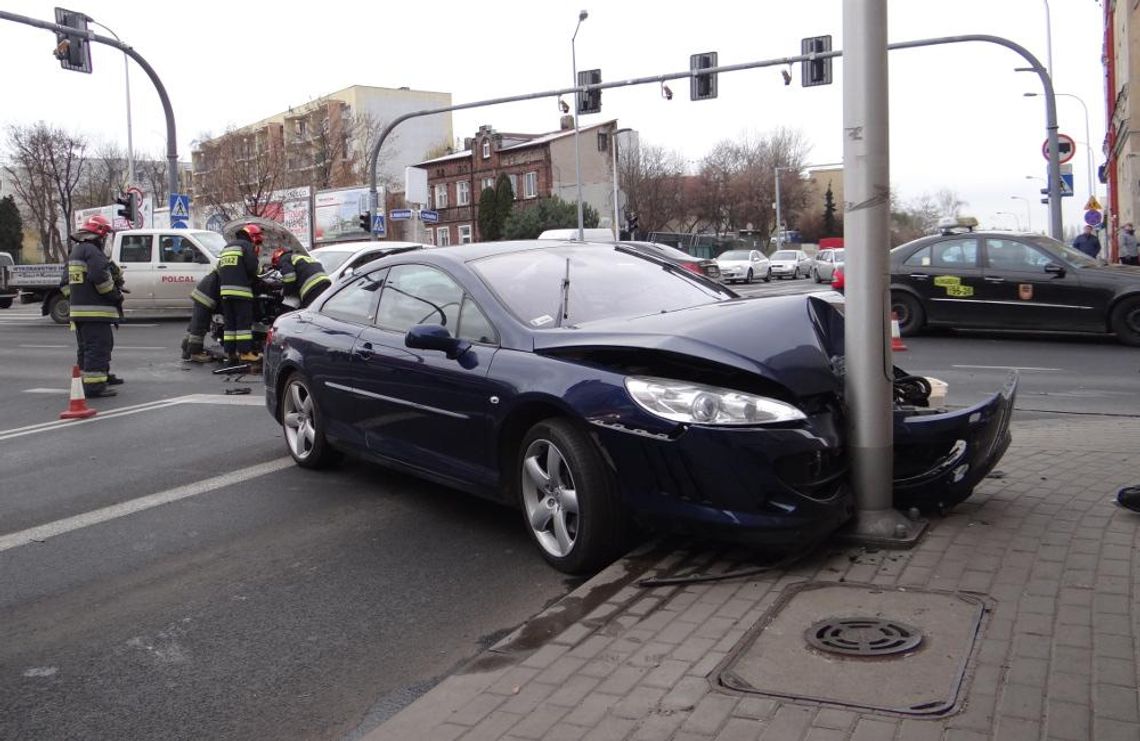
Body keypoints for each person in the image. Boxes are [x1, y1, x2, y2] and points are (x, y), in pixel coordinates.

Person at [62, 215, 124, 398]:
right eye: (105, 236)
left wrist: (77, 298)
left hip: (79, 313)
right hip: (95, 312)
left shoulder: (76, 252)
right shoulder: (93, 252)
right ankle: (95, 386)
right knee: (98, 346)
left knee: (87, 348)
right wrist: (115, 295)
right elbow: (100, 278)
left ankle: (92, 378)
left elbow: (64, 283)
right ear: (100, 234)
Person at [217, 223, 264, 363]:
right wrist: (259, 271)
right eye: (258, 240)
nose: (258, 243)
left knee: (230, 324)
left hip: (225, 292)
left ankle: (230, 352)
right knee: (243, 323)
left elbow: (219, 269)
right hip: (241, 292)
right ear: (252, 236)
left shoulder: (227, 247)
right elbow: (252, 268)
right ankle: (245, 353)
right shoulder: (246, 246)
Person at [180, 269, 220, 363]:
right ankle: (195, 353)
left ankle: (186, 350)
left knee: (194, 324)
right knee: (199, 326)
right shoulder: (235, 269)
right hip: (206, 297)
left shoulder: (225, 265)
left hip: (202, 293)